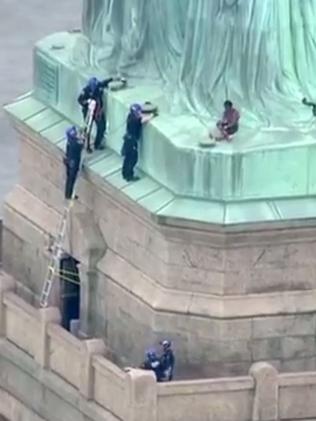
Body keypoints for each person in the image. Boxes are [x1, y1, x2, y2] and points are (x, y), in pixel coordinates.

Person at [78, 76, 115, 152]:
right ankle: (87, 146)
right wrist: (88, 101)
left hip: (97, 111)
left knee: (102, 127)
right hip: (88, 111)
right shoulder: (85, 91)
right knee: (87, 129)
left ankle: (97, 144)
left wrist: (112, 78)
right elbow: (80, 100)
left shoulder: (98, 86)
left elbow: (104, 82)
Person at [121, 103, 154, 182]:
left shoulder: (130, 116)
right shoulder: (134, 120)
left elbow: (140, 117)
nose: (139, 113)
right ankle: (129, 175)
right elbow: (142, 120)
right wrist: (152, 115)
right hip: (131, 141)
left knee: (127, 158)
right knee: (132, 158)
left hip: (128, 139)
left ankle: (125, 173)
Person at [63, 126, 84, 200]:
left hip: (69, 161)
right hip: (73, 163)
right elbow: (80, 147)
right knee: (72, 179)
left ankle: (68, 194)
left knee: (69, 179)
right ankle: (69, 194)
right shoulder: (74, 143)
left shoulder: (70, 141)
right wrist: (83, 140)